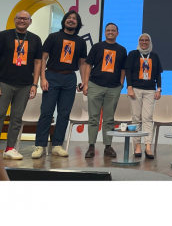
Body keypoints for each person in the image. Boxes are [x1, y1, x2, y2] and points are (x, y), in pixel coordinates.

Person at [32, 10, 87, 159]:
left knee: (64, 113)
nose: (71, 20)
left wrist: (84, 81)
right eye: (69, 17)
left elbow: (82, 63)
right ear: (64, 21)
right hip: (51, 76)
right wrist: (43, 78)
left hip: (70, 78)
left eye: (74, 18)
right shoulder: (53, 37)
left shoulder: (81, 41)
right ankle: (40, 145)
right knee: (47, 111)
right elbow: (43, 58)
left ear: (78, 23)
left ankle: (57, 145)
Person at [0, 11, 42, 160]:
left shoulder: (35, 39)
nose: (22, 20)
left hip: (25, 85)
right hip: (4, 82)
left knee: (17, 118)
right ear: (14, 20)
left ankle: (10, 148)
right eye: (20, 18)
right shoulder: (3, 36)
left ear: (30, 21)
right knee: (0, 114)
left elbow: (38, 62)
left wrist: (34, 84)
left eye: (25, 18)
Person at [82, 23, 127, 158]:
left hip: (114, 88)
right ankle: (91, 146)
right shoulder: (97, 47)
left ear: (117, 33)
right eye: (108, 30)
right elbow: (88, 65)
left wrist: (121, 84)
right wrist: (86, 84)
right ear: (104, 32)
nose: (110, 32)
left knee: (109, 119)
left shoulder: (122, 50)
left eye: (113, 30)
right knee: (93, 118)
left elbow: (123, 69)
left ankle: (108, 146)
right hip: (95, 85)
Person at [125, 33, 162, 159]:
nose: (144, 42)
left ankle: (148, 147)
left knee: (148, 118)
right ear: (139, 41)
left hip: (150, 90)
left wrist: (159, 89)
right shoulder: (133, 54)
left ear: (150, 42)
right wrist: (129, 87)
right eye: (142, 40)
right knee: (136, 118)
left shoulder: (154, 56)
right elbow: (128, 72)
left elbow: (158, 74)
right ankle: (137, 146)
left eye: (146, 40)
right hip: (135, 89)